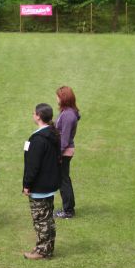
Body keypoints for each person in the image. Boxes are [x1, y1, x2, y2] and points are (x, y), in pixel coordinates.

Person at [22, 103, 61, 260]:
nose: (33, 115)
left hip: (39, 187)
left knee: (41, 220)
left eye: (34, 113)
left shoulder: (38, 140)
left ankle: (43, 251)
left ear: (38, 116)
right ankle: (46, 246)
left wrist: (26, 185)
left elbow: (33, 166)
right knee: (47, 218)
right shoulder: (52, 133)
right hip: (49, 184)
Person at [54, 86, 81, 219]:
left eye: (58, 96)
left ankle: (68, 211)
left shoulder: (68, 115)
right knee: (64, 179)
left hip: (64, 153)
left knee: (63, 181)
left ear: (63, 98)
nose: (56, 98)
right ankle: (69, 208)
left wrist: (58, 155)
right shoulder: (69, 112)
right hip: (65, 151)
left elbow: (64, 140)